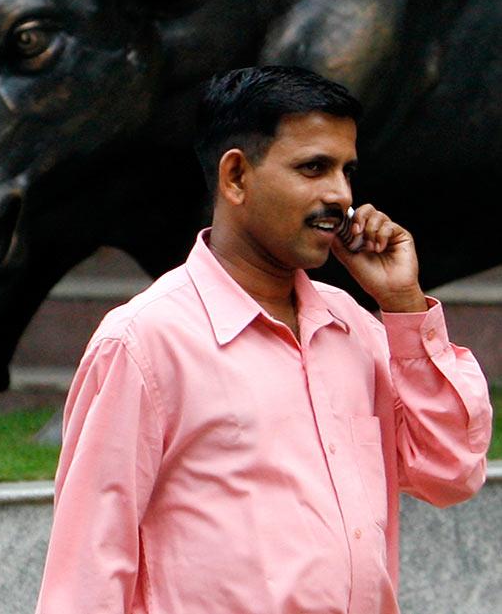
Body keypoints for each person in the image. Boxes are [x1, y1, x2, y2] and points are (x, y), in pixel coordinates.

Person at [35, 65, 492, 614]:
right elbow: (86, 572)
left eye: (347, 171)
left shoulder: (356, 330)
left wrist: (404, 306)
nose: (340, 197)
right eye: (313, 168)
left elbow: (450, 473)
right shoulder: (144, 344)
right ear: (236, 177)